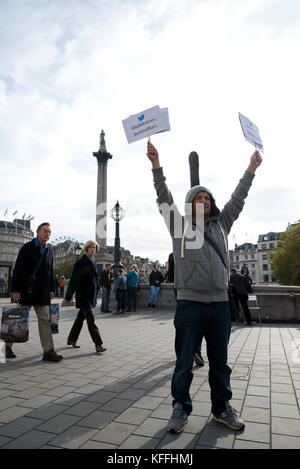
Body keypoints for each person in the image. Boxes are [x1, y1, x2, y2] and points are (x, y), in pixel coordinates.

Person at [146, 140, 262, 432]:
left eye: (207, 199)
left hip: (220, 304)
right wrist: (156, 166)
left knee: (220, 364)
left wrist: (251, 168)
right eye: (198, 198)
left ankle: (222, 408)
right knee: (184, 362)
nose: (204, 202)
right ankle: (180, 408)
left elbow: (239, 196)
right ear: (189, 204)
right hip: (189, 304)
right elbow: (163, 197)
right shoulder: (178, 225)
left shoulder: (222, 224)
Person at [9, 222, 63, 362]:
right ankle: (6, 347)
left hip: (42, 292)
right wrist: (15, 290)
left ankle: (48, 351)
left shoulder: (49, 250)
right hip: (26, 291)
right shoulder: (27, 248)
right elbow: (18, 270)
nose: (47, 234)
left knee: (45, 320)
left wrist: (51, 289)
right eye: (45, 231)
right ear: (37, 232)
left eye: (49, 232)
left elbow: (50, 272)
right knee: (19, 319)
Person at [63, 240, 106, 353]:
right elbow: (74, 281)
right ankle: (98, 344)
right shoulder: (81, 262)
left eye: (94, 247)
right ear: (86, 249)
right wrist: (68, 297)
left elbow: (94, 278)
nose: (92, 249)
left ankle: (71, 339)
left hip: (90, 295)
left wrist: (98, 288)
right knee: (91, 321)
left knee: (80, 319)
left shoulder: (94, 261)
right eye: (90, 247)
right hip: (83, 295)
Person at [169, 252, 205, 367]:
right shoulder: (199, 251)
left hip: (180, 291)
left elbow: (170, 277)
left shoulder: (173, 254)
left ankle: (184, 353)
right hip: (197, 289)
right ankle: (196, 350)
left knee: (183, 324)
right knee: (199, 323)